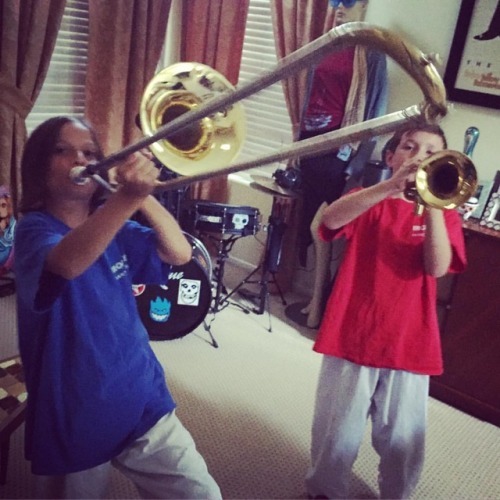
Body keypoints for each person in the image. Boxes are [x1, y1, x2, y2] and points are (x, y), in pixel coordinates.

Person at [15, 116, 221, 499]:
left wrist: (143, 194)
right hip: (75, 408)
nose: (80, 160)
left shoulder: (117, 226)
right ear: (38, 166)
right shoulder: (32, 231)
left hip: (141, 393)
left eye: (90, 152)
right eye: (62, 150)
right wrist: (126, 198)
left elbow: (179, 254)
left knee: (200, 493)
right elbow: (68, 262)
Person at [305, 122, 467, 499]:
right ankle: (324, 491)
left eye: (431, 153)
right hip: (353, 331)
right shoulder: (368, 197)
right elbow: (330, 220)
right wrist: (390, 187)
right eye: (410, 147)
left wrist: (433, 206)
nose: (419, 157)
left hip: (409, 339)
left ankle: (398, 493)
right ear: (391, 156)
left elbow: (437, 267)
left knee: (402, 436)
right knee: (335, 429)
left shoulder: (444, 213)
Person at [297, 0, 388, 328]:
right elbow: (307, 95)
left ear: (364, 5)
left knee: (321, 227)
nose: (339, 7)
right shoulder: (326, 42)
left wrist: (357, 162)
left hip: (339, 151)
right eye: (335, 1)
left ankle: (320, 304)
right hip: (310, 143)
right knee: (312, 225)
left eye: (348, 2)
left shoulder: (372, 51)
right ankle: (316, 300)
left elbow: (376, 113)